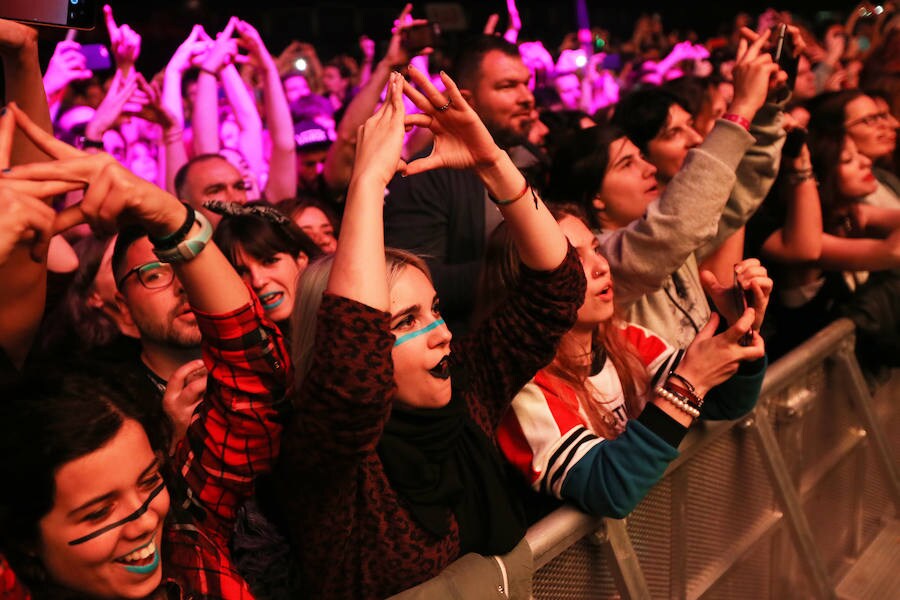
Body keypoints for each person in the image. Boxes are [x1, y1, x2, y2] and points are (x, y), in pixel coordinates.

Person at [275, 69, 584, 599]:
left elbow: (557, 289)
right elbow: (355, 382)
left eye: (434, 310)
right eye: (404, 322)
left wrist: (494, 166)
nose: (442, 334)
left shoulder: (466, 396)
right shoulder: (330, 460)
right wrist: (367, 184)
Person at [0, 102, 289, 599]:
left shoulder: (186, 543)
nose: (140, 520)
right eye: (98, 511)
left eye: (148, 481)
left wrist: (171, 216)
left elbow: (253, 375)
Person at [485, 206, 768, 518]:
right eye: (572, 259)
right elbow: (608, 488)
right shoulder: (523, 388)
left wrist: (741, 328)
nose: (601, 266)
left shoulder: (624, 338)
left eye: (595, 248)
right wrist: (689, 384)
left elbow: (725, 402)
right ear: (523, 282)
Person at [383, 34, 539, 333]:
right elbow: (413, 278)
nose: (526, 97)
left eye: (526, 83)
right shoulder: (426, 174)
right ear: (468, 100)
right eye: (507, 86)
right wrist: (526, 264)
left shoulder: (534, 159)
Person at [212, 201, 323, 329]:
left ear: (301, 260)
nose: (258, 282)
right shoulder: (241, 343)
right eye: (241, 272)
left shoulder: (339, 319)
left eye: (269, 261)